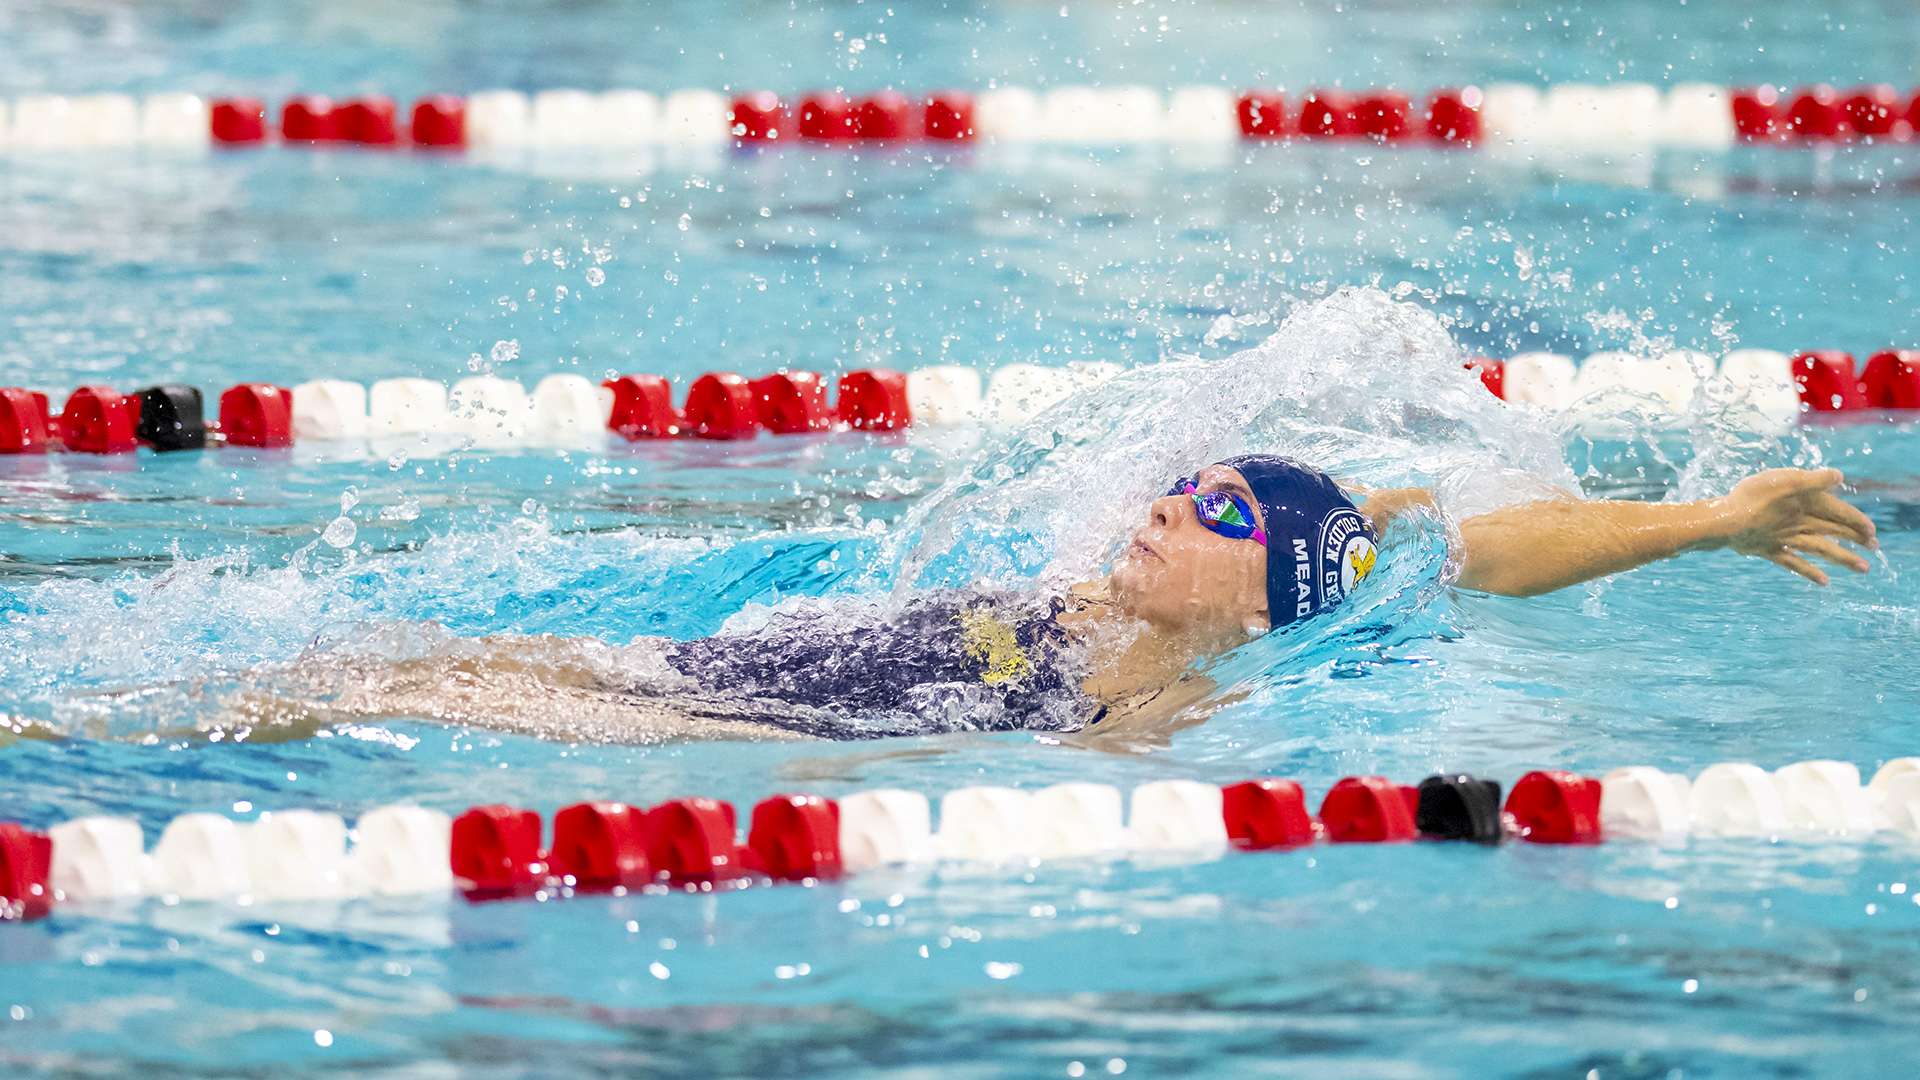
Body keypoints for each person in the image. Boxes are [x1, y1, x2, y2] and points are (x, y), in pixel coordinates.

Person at [222, 455, 1877, 747]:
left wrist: (1713, 526)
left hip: (714, 721)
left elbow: (1458, 555)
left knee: (356, 688)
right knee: (364, 663)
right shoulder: (1116, 597)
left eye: (1218, 514)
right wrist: (1702, 519)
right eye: (1181, 486)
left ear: (1264, 593)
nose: (1163, 505)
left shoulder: (1164, 682)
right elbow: (1434, 531)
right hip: (703, 657)